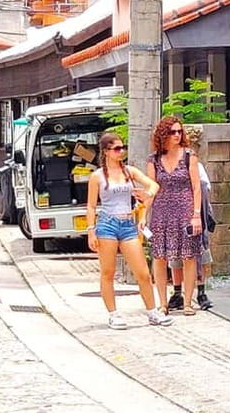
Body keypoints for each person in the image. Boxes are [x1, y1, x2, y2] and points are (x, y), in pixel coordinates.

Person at [86, 132, 172, 330]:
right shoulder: (97, 177)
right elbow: (91, 205)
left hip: (127, 223)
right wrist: (91, 230)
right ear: (106, 152)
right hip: (107, 223)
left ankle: (152, 311)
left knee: (142, 272)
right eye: (117, 148)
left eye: (122, 147)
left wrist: (146, 195)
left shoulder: (129, 172)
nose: (121, 151)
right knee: (108, 272)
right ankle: (113, 313)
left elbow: (154, 185)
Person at [146, 117, 203, 316]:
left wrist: (196, 215)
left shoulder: (189, 156)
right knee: (160, 256)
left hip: (185, 211)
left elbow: (196, 187)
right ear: (163, 135)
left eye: (179, 131)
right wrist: (143, 216)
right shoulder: (153, 160)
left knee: (189, 256)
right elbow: (151, 189)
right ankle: (162, 303)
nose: (177, 135)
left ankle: (187, 302)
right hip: (161, 213)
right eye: (172, 132)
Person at [168, 158, 214, 311]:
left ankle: (201, 292)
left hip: (195, 216)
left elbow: (204, 189)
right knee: (175, 257)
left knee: (200, 255)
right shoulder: (168, 166)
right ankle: (177, 293)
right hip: (175, 217)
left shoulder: (197, 167)